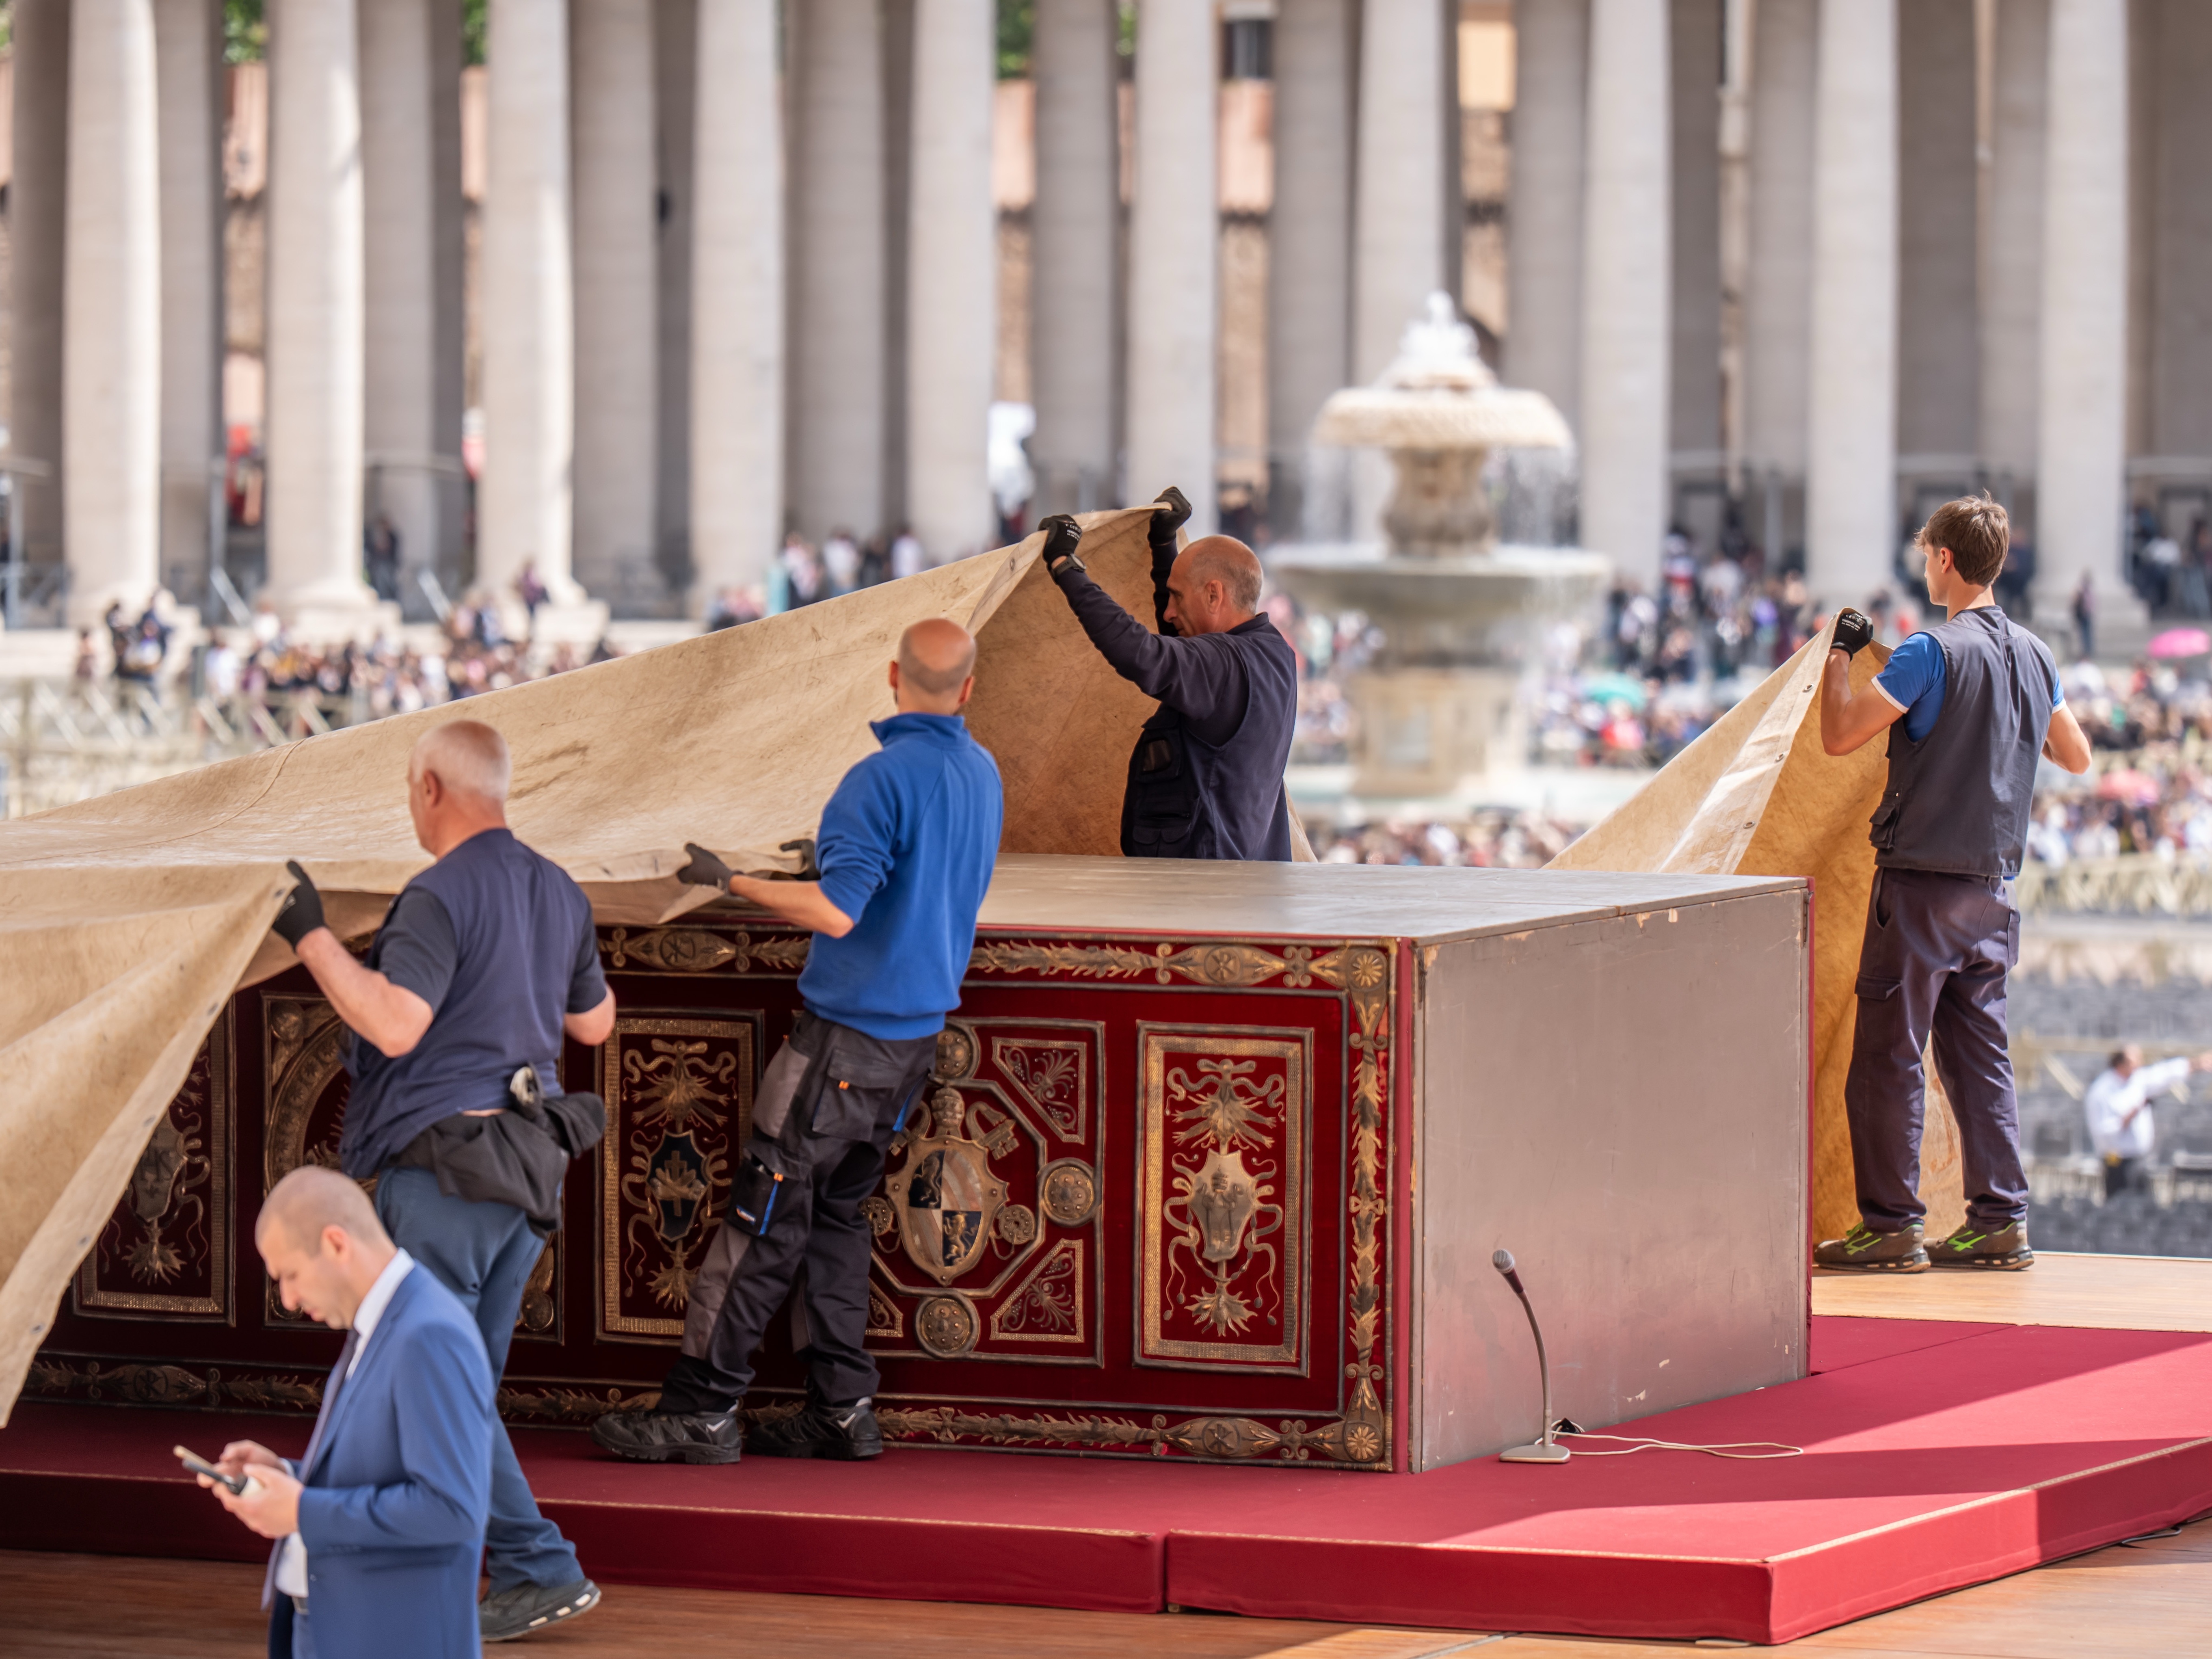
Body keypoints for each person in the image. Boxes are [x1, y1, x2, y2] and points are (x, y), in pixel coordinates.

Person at [591, 618, 1003, 1465]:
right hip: (912, 1044)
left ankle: (702, 1409)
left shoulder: (874, 778)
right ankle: (842, 1406)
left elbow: (836, 911)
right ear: (967, 688)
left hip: (841, 1044)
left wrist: (731, 879)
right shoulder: (981, 770)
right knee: (838, 1221)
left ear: (891, 677)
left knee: (763, 1214)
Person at [268, 719, 612, 1641]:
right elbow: (596, 1025)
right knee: (456, 1390)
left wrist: (307, 932)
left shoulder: (436, 895)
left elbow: (393, 1024)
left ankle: (536, 1563)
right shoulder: (558, 887)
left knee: (429, 1384)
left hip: (448, 1178)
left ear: (429, 788)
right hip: (528, 1177)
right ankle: (445, 1572)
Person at [1813, 495, 2093, 1273]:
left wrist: (1837, 656)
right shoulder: (2037, 656)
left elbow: (1839, 737)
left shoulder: (1927, 652)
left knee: (1888, 1058)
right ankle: (1999, 1219)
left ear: (1942, 559)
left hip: (1920, 887)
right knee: (1980, 1059)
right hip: (1993, 891)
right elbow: (2075, 756)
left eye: (1923, 552)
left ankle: (1892, 1225)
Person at [198, 1166, 494, 1659]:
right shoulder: (381, 1323)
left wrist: (300, 1509)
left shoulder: (429, 1333)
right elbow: (382, 1469)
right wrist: (287, 1474)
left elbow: (453, 1508)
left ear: (336, 1243)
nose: (288, 1299)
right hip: (337, 1628)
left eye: (290, 1275)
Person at [1036, 488, 1297, 860]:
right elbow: (1181, 643)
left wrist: (1066, 565)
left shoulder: (1222, 664)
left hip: (1199, 895)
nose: (1170, 612)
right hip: (1244, 881)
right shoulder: (1274, 653)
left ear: (1213, 595)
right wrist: (1163, 543)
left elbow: (1142, 653)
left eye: (1177, 597)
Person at [2085, 1047, 2212, 1198]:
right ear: (2120, 1064)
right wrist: (2127, 1119)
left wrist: (2195, 1064)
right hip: (2116, 1161)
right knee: (2118, 1202)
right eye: (2134, 1061)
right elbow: (2102, 1129)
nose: (2139, 1064)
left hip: (2140, 1159)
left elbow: (2163, 1074)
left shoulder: (2138, 1080)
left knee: (2143, 1203)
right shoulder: (2101, 1091)